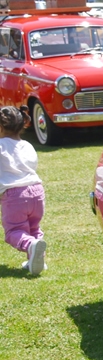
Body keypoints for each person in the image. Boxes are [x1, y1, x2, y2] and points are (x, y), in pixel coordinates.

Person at [0, 106, 45, 276]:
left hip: (14, 196)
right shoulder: (27, 145)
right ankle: (37, 259)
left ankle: (31, 247)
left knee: (14, 231)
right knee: (34, 228)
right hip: (37, 191)